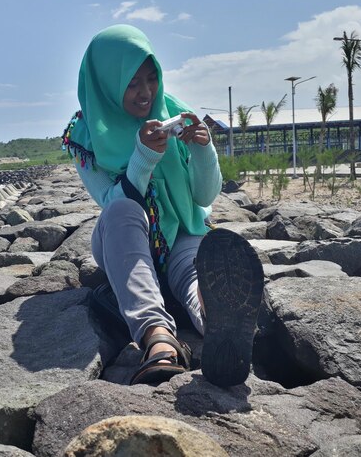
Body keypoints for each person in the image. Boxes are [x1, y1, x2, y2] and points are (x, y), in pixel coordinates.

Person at [62, 24, 263, 387]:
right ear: (106, 82)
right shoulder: (85, 135)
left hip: (183, 232)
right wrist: (142, 157)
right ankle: (158, 339)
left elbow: (204, 198)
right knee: (122, 212)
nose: (146, 92)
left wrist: (203, 150)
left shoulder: (177, 112)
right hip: (124, 239)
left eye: (151, 78)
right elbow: (112, 203)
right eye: (132, 82)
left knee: (194, 273)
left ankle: (219, 328)